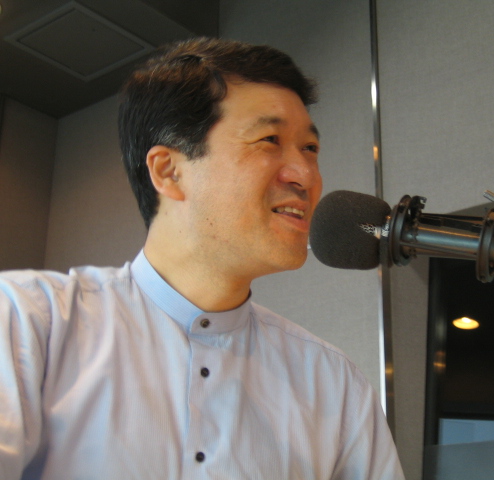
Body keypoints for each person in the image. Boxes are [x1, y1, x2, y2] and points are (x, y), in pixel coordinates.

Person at [0, 37, 405, 479]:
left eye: (310, 148)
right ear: (168, 171)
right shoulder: (30, 323)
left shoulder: (335, 385)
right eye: (269, 140)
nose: (306, 176)